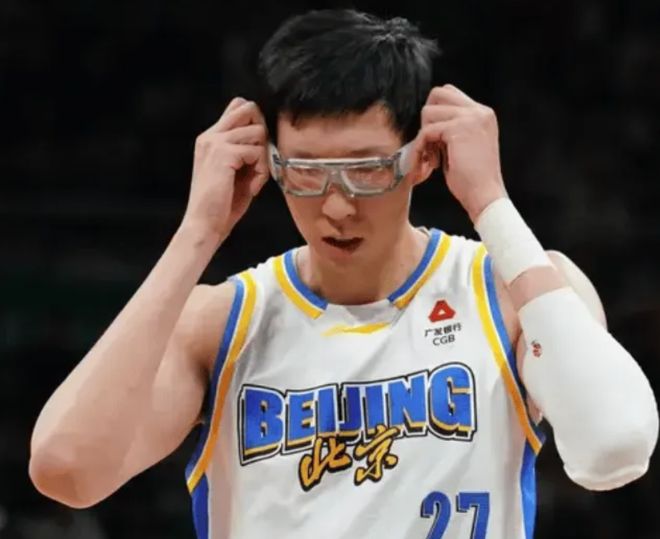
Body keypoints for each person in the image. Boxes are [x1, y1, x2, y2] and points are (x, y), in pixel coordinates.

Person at [28, 8, 658, 539]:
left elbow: (617, 446)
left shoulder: (513, 292)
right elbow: (66, 471)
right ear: (269, 162)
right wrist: (198, 233)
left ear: (423, 157)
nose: (336, 205)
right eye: (306, 171)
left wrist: (490, 201)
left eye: (368, 169)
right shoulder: (219, 324)